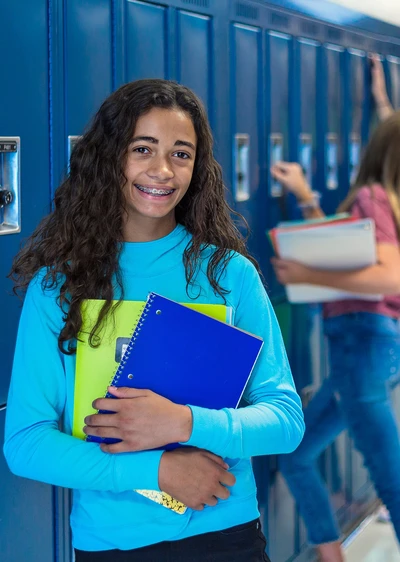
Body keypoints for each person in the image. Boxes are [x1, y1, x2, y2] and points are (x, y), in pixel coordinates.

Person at [3, 79, 304, 562]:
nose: (162, 170)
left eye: (181, 154)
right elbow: (26, 442)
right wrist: (159, 471)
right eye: (143, 148)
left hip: (226, 533)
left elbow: (285, 421)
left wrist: (183, 422)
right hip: (112, 543)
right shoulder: (58, 288)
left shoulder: (228, 275)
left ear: (197, 167)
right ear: (109, 157)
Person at [270, 109, 400, 562]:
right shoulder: (389, 202)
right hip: (368, 349)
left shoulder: (372, 195)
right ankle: (330, 551)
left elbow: (387, 273)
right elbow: (348, 252)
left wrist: (305, 271)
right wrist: (307, 197)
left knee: (389, 477)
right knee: (297, 455)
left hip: (361, 345)